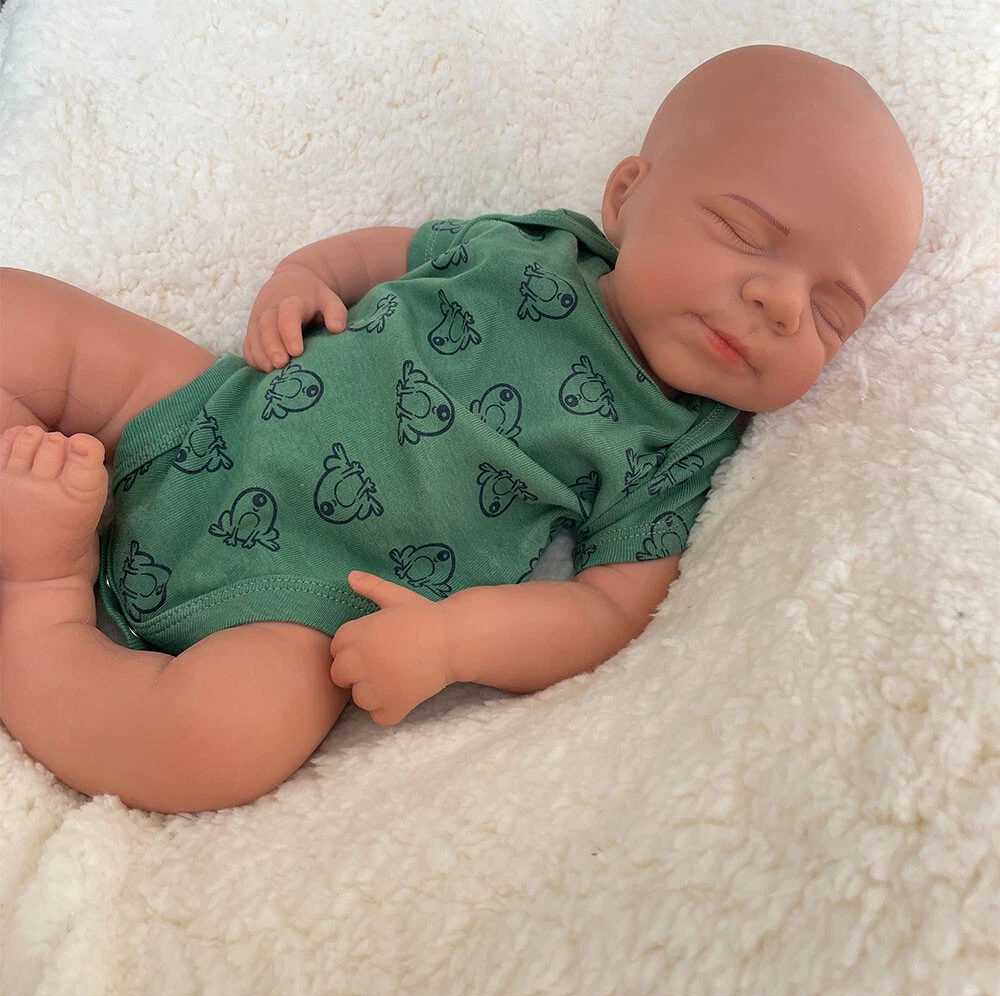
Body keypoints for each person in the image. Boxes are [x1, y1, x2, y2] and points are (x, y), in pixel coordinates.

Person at [0, 45, 923, 813]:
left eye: (831, 313)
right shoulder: (532, 244)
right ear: (628, 195)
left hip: (298, 601)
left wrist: (453, 644)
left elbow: (607, 610)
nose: (780, 303)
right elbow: (386, 253)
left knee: (222, 741)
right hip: (215, 408)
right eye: (746, 233)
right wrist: (301, 277)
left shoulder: (680, 442)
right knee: (22, 322)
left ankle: (41, 588)